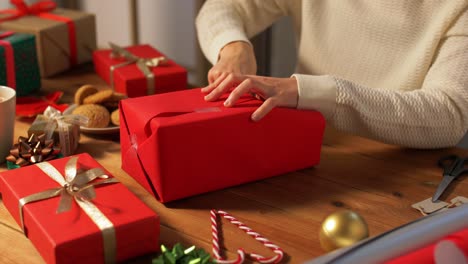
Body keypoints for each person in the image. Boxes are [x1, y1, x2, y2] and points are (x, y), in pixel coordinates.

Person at [195, 0, 468, 149]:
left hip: (398, 168)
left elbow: (450, 113)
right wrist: (233, 47)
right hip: (306, 148)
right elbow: (221, 8)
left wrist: (312, 94)